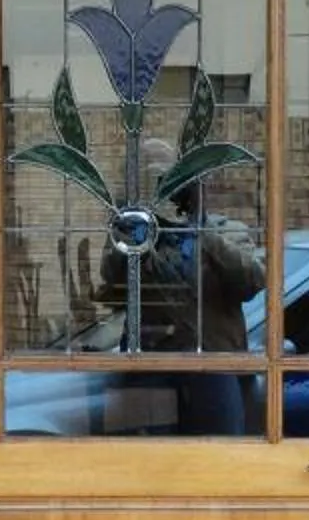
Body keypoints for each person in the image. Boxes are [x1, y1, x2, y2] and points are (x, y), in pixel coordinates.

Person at [105, 137, 265, 434]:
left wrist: (200, 230)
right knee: (144, 466)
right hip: (151, 367)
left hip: (214, 368)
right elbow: (112, 286)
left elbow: (252, 281)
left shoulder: (225, 231)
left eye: (168, 181)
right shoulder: (138, 233)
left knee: (219, 462)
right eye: (150, 182)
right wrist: (127, 233)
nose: (163, 192)